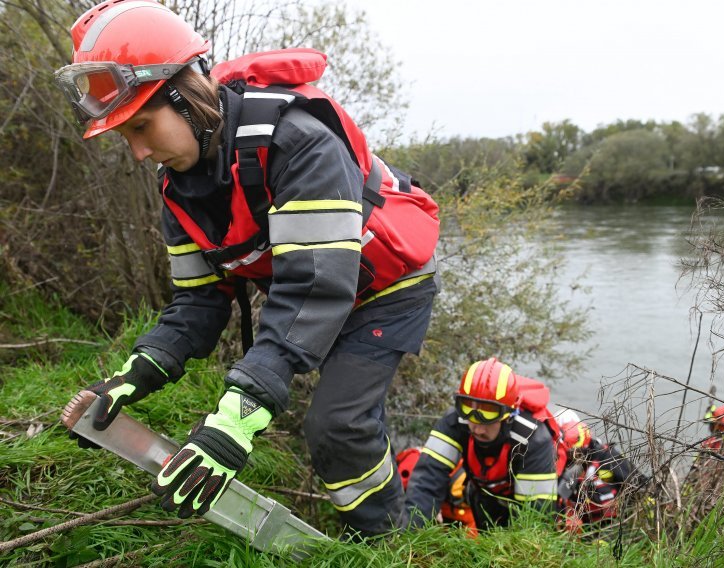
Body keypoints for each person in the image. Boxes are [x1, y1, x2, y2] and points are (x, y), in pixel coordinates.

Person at [54, 0, 439, 538]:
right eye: (125, 138)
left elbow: (311, 288)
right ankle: (377, 527)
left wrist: (238, 419)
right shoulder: (179, 188)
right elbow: (197, 303)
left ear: (185, 96)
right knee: (339, 420)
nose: (139, 152)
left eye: (143, 126)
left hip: (386, 289)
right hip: (319, 290)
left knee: (336, 424)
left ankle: (388, 540)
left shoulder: (299, 144)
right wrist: (133, 378)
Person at [405, 358, 559, 530]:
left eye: (488, 413)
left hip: (528, 498)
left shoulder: (532, 439)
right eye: (468, 409)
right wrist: (409, 537)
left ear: (509, 412)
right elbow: (426, 481)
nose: (477, 429)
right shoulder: (455, 421)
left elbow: (536, 518)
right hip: (484, 495)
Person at [557, 420, 635, 533]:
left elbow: (637, 482)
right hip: (589, 526)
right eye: (568, 454)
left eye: (574, 453)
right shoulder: (573, 470)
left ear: (584, 447)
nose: (571, 458)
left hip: (615, 524)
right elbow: (561, 494)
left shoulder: (609, 458)